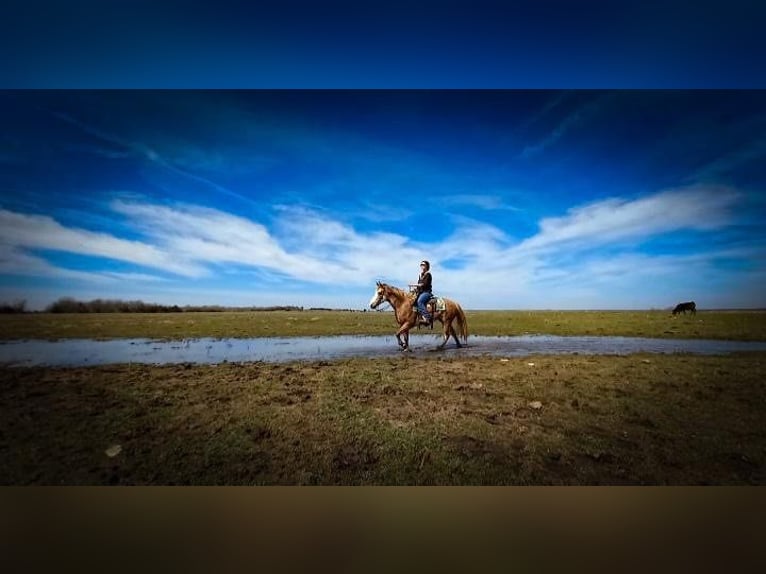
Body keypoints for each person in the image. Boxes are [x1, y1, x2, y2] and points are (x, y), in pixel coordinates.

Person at [413, 260, 433, 326]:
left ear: (427, 266)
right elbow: (419, 286)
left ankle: (427, 318)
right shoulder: (421, 275)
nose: (422, 266)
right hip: (420, 292)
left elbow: (425, 284)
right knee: (413, 302)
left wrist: (416, 285)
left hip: (426, 292)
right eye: (421, 265)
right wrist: (415, 289)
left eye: (423, 264)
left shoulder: (428, 274)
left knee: (420, 302)